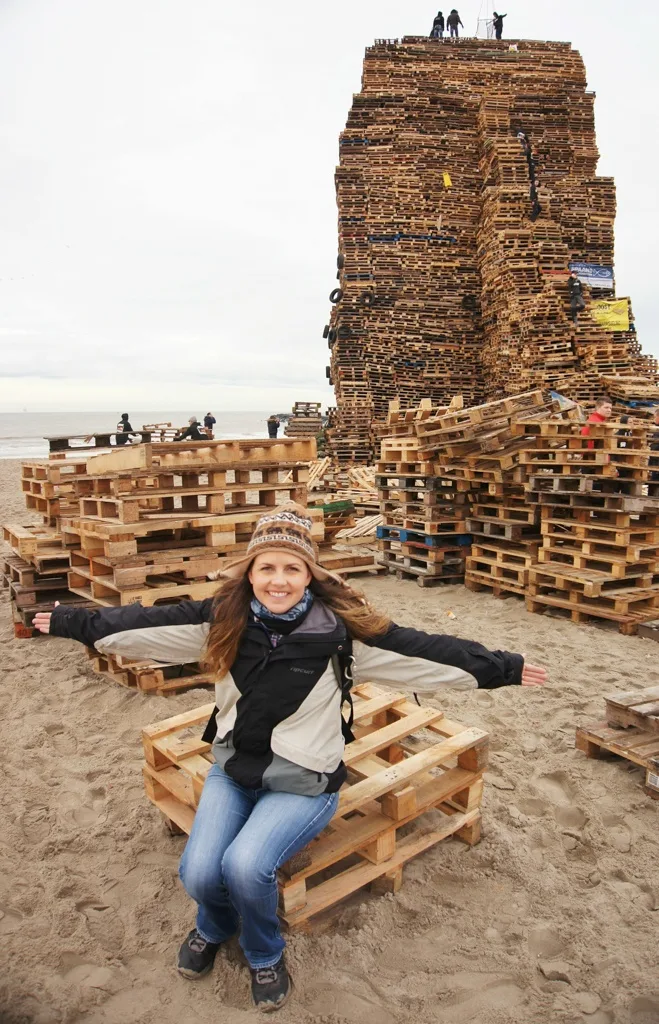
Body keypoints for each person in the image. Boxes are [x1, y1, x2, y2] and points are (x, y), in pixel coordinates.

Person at [33, 503, 548, 1013]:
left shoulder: (342, 635)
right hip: (235, 771)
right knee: (198, 874)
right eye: (267, 568)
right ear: (251, 573)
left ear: (310, 575)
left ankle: (264, 954)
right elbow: (142, 623)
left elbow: (425, 650)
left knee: (244, 867)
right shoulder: (223, 622)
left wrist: (501, 667)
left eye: (291, 568)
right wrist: (72, 621)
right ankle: (213, 926)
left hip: (304, 782)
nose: (278, 581)